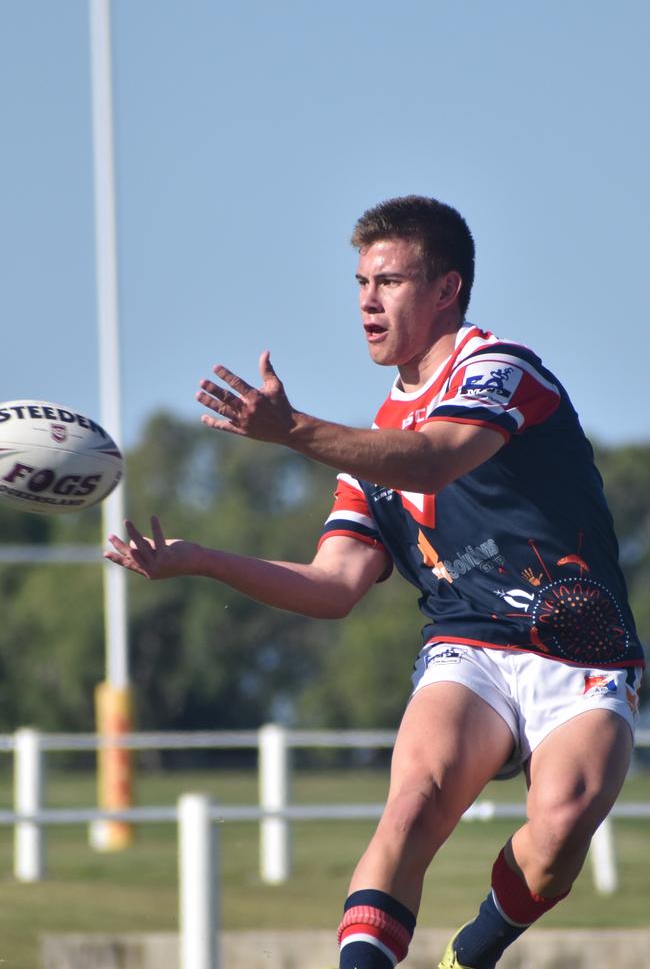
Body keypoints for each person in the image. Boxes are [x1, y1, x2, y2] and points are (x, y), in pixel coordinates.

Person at [105, 195, 644, 969]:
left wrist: (290, 430)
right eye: (360, 281)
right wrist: (200, 559)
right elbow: (335, 584)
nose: (366, 300)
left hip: (578, 643)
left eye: (389, 280)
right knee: (414, 804)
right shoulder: (370, 451)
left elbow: (434, 455)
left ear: (447, 289)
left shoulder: (499, 371)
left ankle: (473, 953)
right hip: (470, 645)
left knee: (562, 825)